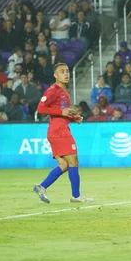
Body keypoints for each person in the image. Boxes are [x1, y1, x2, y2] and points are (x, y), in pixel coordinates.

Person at [33, 63, 93, 204]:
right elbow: (41, 108)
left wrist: (73, 117)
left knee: (64, 165)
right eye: (61, 72)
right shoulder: (53, 90)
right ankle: (76, 196)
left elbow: (61, 113)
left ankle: (41, 187)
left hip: (58, 130)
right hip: (59, 132)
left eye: (67, 71)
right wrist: (62, 112)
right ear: (55, 75)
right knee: (74, 162)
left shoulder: (65, 93)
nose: (65, 74)